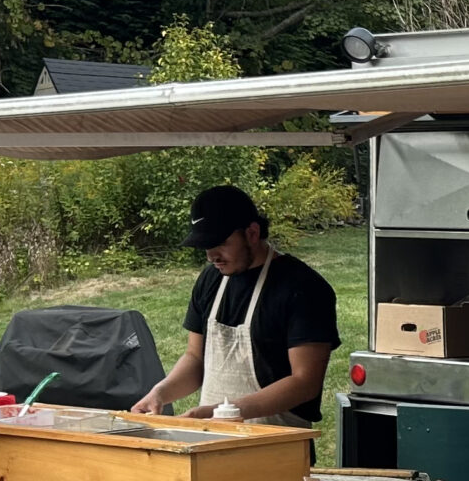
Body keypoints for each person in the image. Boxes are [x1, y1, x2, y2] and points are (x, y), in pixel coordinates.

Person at [131, 183, 337, 429]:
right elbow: (195, 358)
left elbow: (305, 382)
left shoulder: (303, 288)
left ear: (252, 233)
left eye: (220, 243)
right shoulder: (210, 280)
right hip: (212, 437)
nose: (211, 256)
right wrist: (160, 393)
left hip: (276, 441)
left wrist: (227, 412)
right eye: (206, 246)